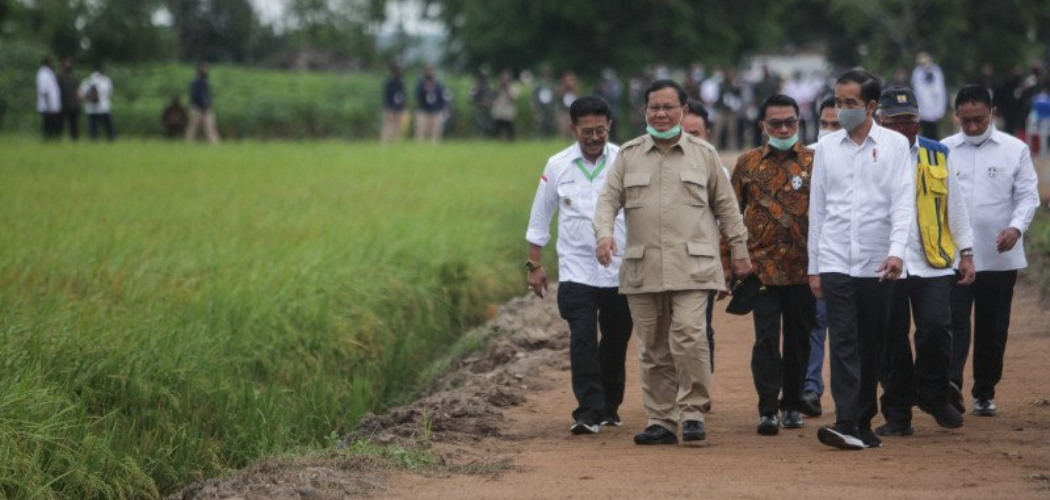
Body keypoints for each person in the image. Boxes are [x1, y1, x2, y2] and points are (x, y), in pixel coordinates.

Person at [594, 79, 751, 445]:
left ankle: (693, 411)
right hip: (643, 266)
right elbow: (607, 202)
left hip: (693, 266)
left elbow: (727, 207)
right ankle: (662, 420)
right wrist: (604, 234)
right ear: (645, 111)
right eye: (654, 108)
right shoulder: (628, 155)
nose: (661, 114)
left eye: (668, 107)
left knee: (690, 336)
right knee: (653, 347)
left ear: (683, 110)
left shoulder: (704, 154)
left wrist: (740, 252)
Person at [808, 69, 914, 450]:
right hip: (835, 258)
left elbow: (903, 204)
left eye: (850, 103)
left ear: (871, 106)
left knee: (871, 343)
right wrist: (814, 267)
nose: (842, 109)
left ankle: (863, 422)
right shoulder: (825, 148)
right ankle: (846, 420)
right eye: (838, 102)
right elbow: (817, 211)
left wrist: (897, 252)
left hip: (876, 262)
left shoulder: (894, 146)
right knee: (843, 342)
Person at [526, 96, 632, 435]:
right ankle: (588, 411)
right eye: (587, 131)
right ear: (573, 129)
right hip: (575, 271)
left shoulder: (625, 161)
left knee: (616, 340)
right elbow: (540, 217)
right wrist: (535, 266)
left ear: (609, 127)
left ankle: (609, 406)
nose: (595, 137)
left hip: (620, 270)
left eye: (601, 130)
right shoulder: (557, 165)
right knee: (582, 339)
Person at [874, 86, 975, 438]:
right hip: (887, 263)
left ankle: (933, 392)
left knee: (935, 328)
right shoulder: (869, 155)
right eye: (896, 121)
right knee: (891, 340)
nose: (904, 128)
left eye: (910, 121)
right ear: (880, 121)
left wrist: (966, 253)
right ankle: (898, 412)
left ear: (919, 122)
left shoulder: (937, 154)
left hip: (932, 260)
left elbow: (955, 206)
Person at [944, 84, 1040, 418]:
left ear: (992, 114)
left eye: (978, 120)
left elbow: (1028, 195)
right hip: (954, 256)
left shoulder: (1015, 150)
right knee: (953, 321)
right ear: (955, 116)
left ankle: (984, 390)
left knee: (992, 325)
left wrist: (1016, 227)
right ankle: (950, 384)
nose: (971, 127)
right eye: (965, 121)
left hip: (999, 254)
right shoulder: (943, 150)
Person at [732, 94, 815, 435]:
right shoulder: (747, 164)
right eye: (776, 123)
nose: (783, 129)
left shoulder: (814, 162)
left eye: (790, 122)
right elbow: (731, 214)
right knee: (766, 339)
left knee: (799, 340)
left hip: (804, 269)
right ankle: (768, 408)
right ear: (762, 126)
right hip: (761, 269)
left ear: (799, 123)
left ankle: (793, 404)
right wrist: (731, 261)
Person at [799, 97, 840, 418]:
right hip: (805, 257)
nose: (828, 131)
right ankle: (809, 387)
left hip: (841, 256)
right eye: (824, 124)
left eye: (836, 125)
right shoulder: (803, 157)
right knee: (813, 322)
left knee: (835, 325)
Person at [683, 99, 728, 373]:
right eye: (683, 133)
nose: (689, 140)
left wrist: (726, 265)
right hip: (663, 259)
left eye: (695, 134)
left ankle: (699, 388)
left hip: (701, 263)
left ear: (707, 135)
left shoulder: (716, 170)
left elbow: (726, 219)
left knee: (699, 327)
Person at [911, 52, 948, 140]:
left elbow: (940, 92)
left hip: (934, 111)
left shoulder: (936, 71)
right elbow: (915, 92)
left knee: (934, 136)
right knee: (924, 136)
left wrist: (940, 110)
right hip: (922, 111)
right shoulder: (917, 72)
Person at [78, 63, 115, 141]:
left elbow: (81, 94)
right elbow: (110, 93)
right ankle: (111, 138)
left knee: (93, 126)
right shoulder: (106, 80)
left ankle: (93, 139)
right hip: (103, 107)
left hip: (91, 108)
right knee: (108, 125)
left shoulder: (88, 80)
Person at [186, 61, 220, 144]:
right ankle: (188, 144)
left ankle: (215, 145)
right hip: (196, 109)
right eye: (204, 68)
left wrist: (208, 106)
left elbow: (209, 96)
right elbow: (195, 96)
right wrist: (202, 107)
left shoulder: (206, 82)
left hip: (207, 109)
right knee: (193, 128)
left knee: (210, 127)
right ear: (199, 70)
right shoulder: (195, 82)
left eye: (207, 68)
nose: (206, 70)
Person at [415, 64, 447, 143]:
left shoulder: (438, 84)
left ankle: (433, 149)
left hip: (435, 111)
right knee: (420, 131)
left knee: (434, 133)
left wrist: (441, 109)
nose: (430, 72)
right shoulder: (421, 83)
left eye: (431, 70)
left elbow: (441, 98)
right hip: (423, 110)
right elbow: (418, 96)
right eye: (428, 70)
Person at [36, 56, 62, 140]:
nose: (52, 64)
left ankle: (52, 138)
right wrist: (48, 104)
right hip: (48, 105)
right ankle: (47, 138)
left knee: (52, 123)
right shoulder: (43, 74)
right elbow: (44, 90)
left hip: (52, 104)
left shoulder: (49, 73)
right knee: (48, 124)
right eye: (51, 62)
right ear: (46, 63)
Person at [381, 62, 407, 142]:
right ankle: (385, 141)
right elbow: (387, 95)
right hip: (391, 106)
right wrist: (389, 107)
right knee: (389, 124)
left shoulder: (401, 81)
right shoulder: (390, 81)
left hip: (399, 106)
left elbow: (402, 94)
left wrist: (404, 105)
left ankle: (395, 141)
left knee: (397, 125)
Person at [490, 69, 518, 141]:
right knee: (496, 131)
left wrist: (507, 88)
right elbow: (493, 97)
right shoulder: (497, 87)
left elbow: (513, 99)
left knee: (509, 131)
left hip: (508, 113)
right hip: (498, 112)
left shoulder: (513, 87)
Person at [57, 57, 79, 140]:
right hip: (61, 104)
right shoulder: (58, 77)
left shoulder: (72, 78)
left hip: (72, 104)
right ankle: (57, 138)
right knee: (59, 123)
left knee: (73, 125)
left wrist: (77, 98)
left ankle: (74, 139)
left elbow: (75, 89)